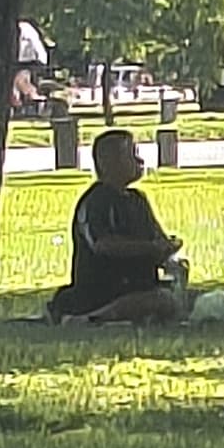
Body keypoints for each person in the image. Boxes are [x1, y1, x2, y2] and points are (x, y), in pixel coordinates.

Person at [51, 130, 189, 323]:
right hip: (103, 288)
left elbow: (157, 237)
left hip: (139, 283)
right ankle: (92, 319)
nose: (139, 161)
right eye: (131, 155)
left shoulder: (138, 200)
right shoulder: (96, 201)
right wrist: (148, 248)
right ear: (109, 162)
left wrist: (167, 249)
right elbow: (103, 244)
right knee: (160, 301)